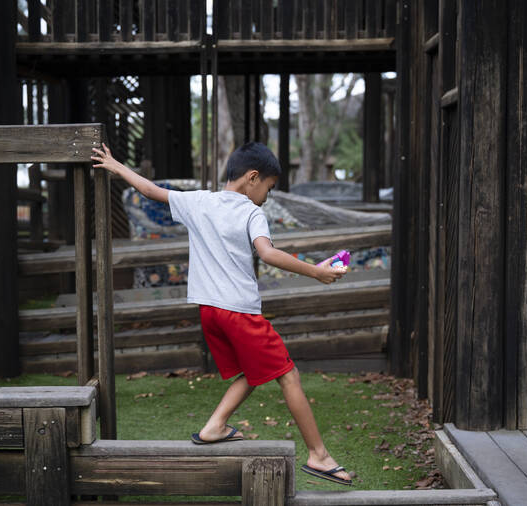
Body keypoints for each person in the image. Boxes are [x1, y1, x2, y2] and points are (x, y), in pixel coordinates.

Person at [91, 141, 353, 486]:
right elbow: (268, 254)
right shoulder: (250, 212)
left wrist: (116, 166)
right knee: (288, 375)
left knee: (250, 371)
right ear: (253, 178)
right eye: (268, 189)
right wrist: (316, 272)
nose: (266, 197)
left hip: (209, 312)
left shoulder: (199, 201)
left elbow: (151, 190)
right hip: (239, 311)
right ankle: (319, 455)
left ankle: (215, 426)